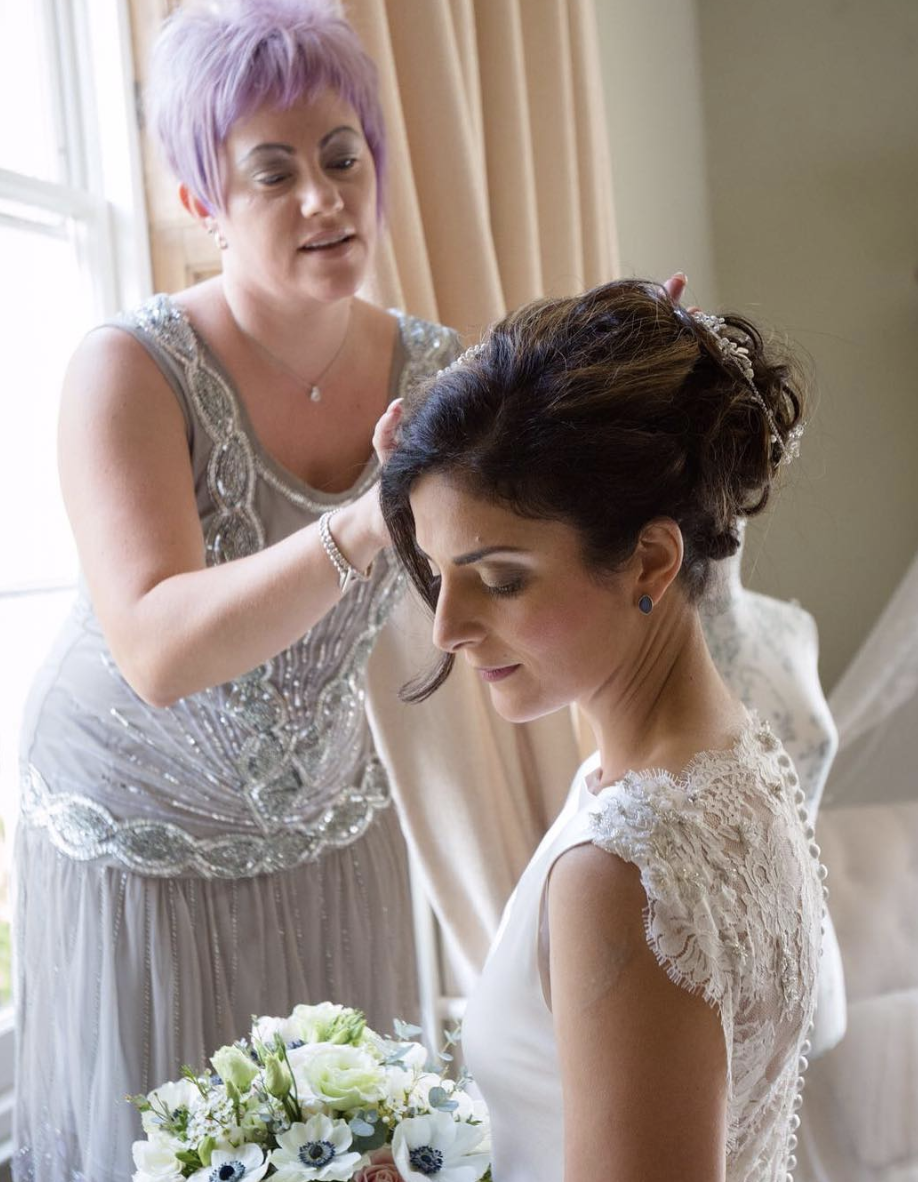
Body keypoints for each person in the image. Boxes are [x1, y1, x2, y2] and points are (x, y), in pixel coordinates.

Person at [12, 2, 521, 1178]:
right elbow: (154, 646)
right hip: (136, 840)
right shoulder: (127, 371)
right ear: (202, 205)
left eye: (344, 158)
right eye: (272, 173)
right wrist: (361, 522)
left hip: (329, 824)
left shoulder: (437, 368)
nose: (324, 199)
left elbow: (522, 537)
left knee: (359, 1151)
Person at [380, 278, 826, 1180]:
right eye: (435, 569)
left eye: (500, 578)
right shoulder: (735, 756)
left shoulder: (619, 873)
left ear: (651, 560)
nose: (447, 627)